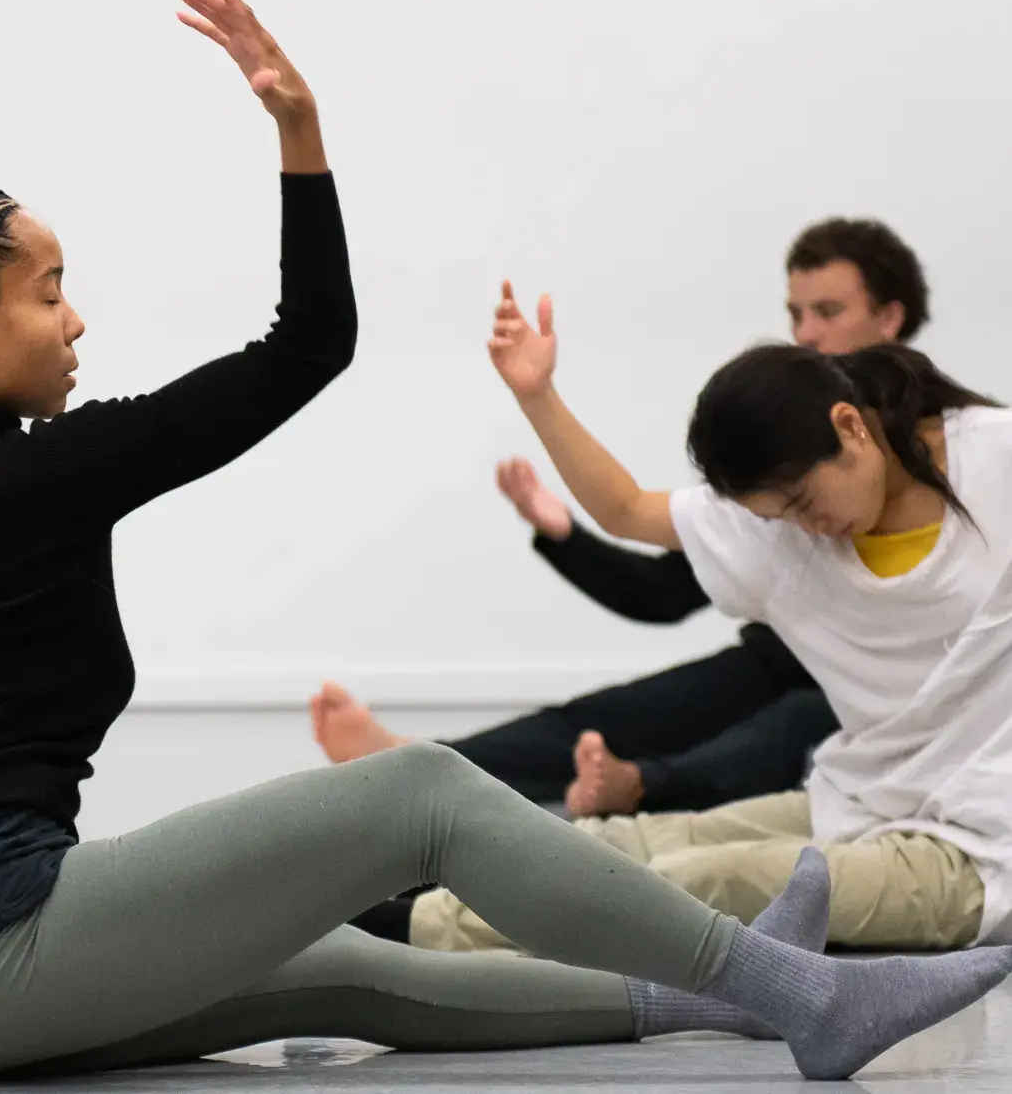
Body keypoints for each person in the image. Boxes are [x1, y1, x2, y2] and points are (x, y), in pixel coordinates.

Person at [0, 0, 1012, 1080]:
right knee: (414, 794)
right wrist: (297, 129)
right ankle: (810, 996)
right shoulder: (49, 472)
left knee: (339, 963)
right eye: (47, 289)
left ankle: (726, 995)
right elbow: (306, 345)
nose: (73, 315)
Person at [407, 280, 1012, 957]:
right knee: (626, 842)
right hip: (865, 803)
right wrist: (536, 396)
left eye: (805, 500)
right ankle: (368, 891)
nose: (804, 526)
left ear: (849, 425)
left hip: (980, 858)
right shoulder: (783, 530)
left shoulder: (992, 461)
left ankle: (397, 935)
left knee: (708, 879)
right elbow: (627, 509)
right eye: (774, 514)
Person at [313, 218, 933, 818]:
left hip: (890, 699)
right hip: (782, 662)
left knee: (791, 726)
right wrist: (562, 529)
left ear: (890, 315)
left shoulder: (952, 452)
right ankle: (422, 770)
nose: (805, 334)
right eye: (795, 315)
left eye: (827, 312)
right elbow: (657, 578)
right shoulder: (776, 461)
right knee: (609, 718)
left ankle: (632, 788)